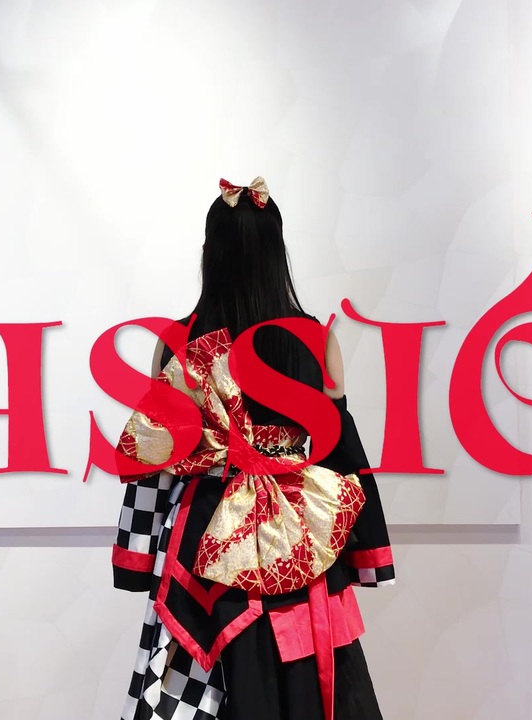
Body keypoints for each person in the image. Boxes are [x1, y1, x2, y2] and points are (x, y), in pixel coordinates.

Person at [110, 177, 395, 720]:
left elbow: (153, 459)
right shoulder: (315, 339)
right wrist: (367, 549)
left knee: (195, 681)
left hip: (203, 533)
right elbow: (341, 452)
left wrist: (137, 555)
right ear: (276, 253)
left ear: (210, 253)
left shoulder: (176, 342)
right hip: (297, 534)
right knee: (306, 671)